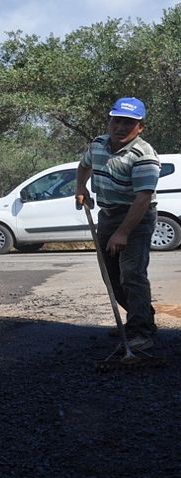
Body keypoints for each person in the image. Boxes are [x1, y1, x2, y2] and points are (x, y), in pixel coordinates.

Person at [75, 97, 160, 351]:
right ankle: (142, 317)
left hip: (136, 217)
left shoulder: (143, 155)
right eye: (117, 120)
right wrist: (81, 187)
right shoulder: (98, 144)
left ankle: (140, 331)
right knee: (110, 274)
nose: (120, 127)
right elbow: (83, 165)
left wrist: (123, 232)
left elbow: (143, 198)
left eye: (128, 123)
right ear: (109, 121)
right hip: (108, 215)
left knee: (132, 273)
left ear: (140, 127)